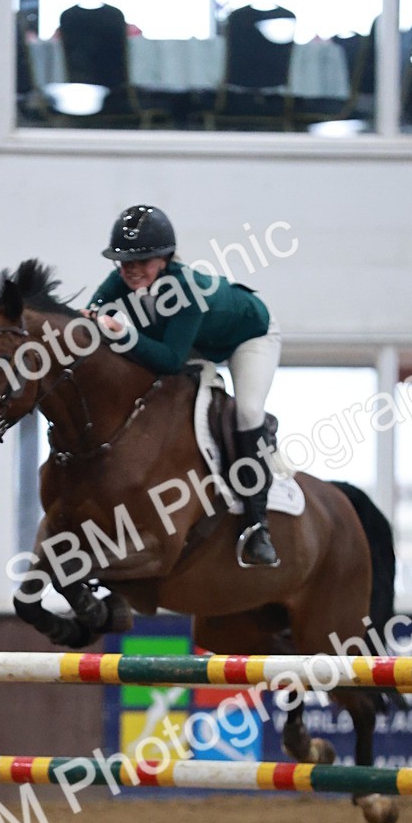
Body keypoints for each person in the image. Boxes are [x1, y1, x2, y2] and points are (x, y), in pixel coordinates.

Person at [84, 204, 281, 567]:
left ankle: (257, 525)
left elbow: (171, 360)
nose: (132, 269)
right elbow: (89, 316)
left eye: (143, 261)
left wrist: (123, 334)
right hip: (195, 340)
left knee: (248, 410)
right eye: (125, 261)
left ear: (165, 259)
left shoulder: (186, 289)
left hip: (248, 337)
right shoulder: (121, 280)